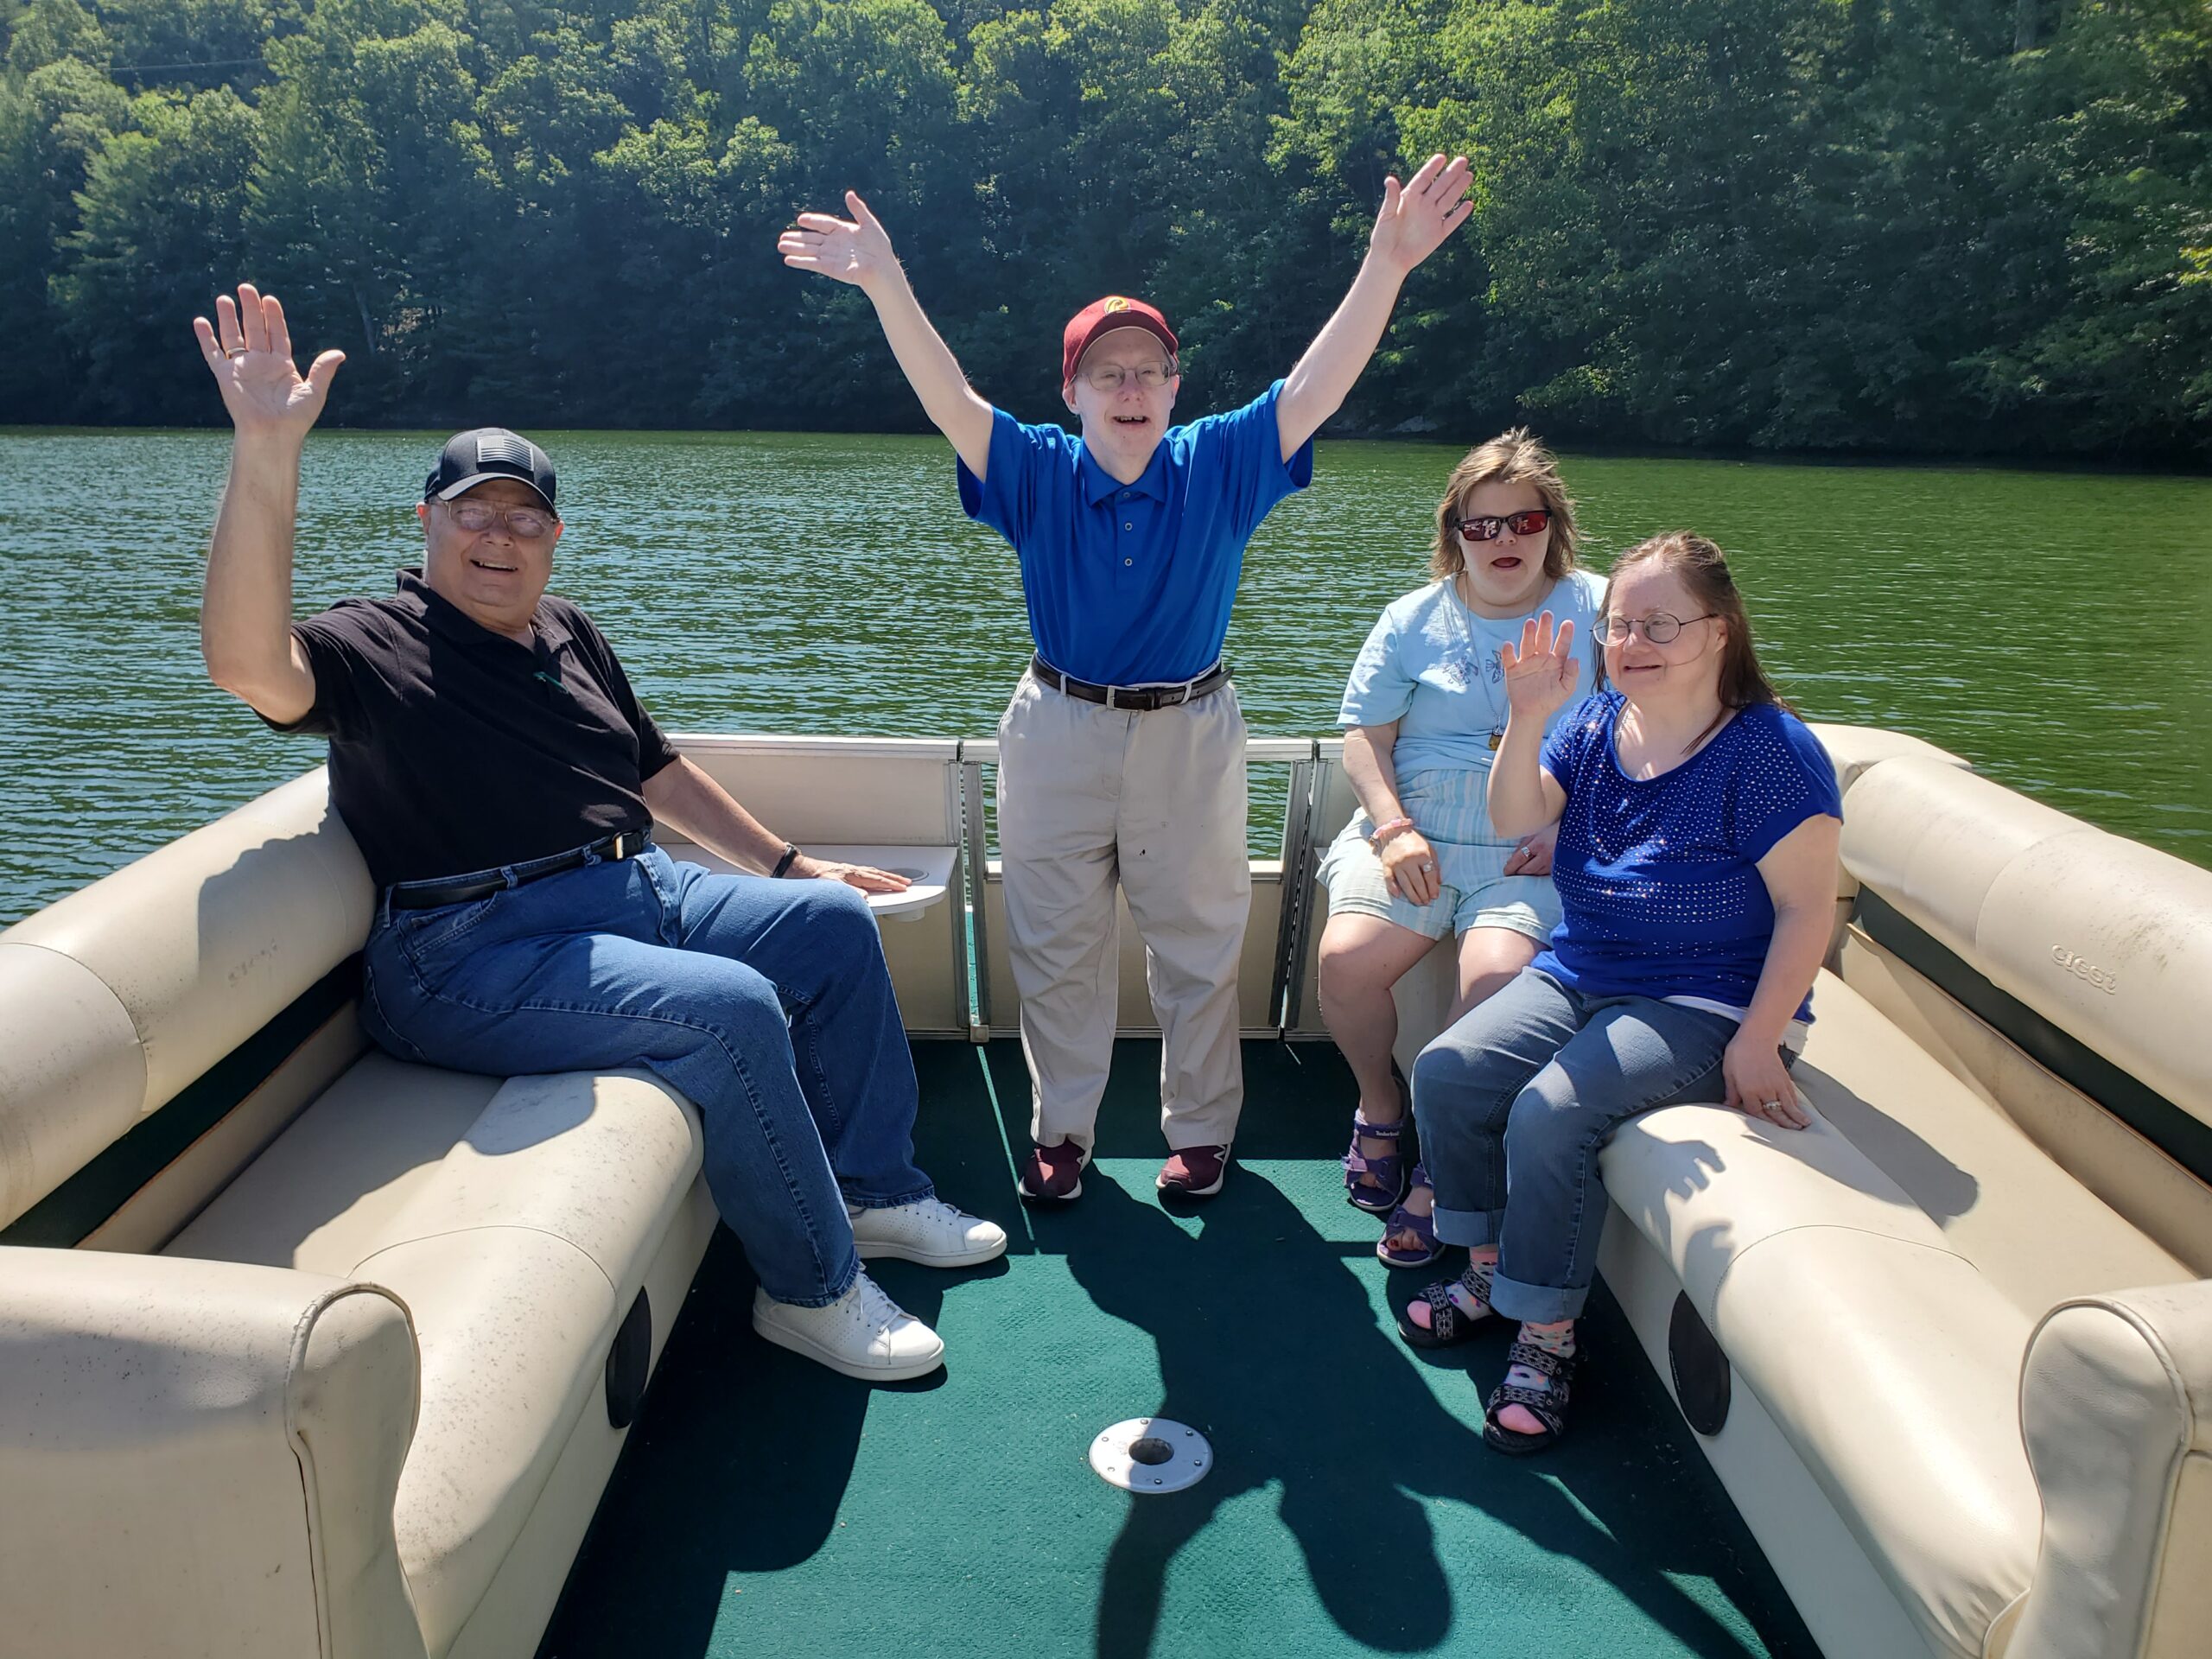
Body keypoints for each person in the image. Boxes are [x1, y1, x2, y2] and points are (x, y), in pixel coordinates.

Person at [191, 283, 1005, 1383]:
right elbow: (248, 664)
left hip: (629, 890)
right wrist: (266, 448)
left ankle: (874, 1191)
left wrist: (789, 863)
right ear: (427, 523)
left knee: (828, 923)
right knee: (728, 1010)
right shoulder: (374, 644)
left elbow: (652, 769)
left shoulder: (568, 630)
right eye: (472, 512)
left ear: (554, 539)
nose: (498, 537)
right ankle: (809, 1293)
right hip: (465, 949)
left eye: (523, 517)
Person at [780, 158, 1474, 1203]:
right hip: (1056, 726)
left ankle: (1199, 1132)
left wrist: (1386, 263)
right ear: (1072, 394)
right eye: (1106, 373)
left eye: (1148, 368)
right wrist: (886, 282)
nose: (1131, 388)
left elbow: (1318, 382)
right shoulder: (1035, 469)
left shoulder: (1220, 463)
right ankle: (1062, 1132)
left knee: (1198, 947)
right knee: (1055, 945)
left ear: (1174, 387)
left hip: (1191, 730)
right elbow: (948, 398)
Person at [1397, 531, 1840, 1456]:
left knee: (1550, 1112)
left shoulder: (1769, 752)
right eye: (1617, 625)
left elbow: (1806, 910)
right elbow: (1515, 819)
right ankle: (1488, 1271)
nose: (1630, 642)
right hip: (1584, 965)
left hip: (1705, 998)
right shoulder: (1596, 723)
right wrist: (1526, 717)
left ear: (1719, 631)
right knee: (1447, 1070)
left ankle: (1548, 1340)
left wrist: (1758, 1040)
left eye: (1658, 624)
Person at [1313, 430, 1604, 1267]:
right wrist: (1392, 828)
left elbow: (1635, 733)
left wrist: (1570, 830)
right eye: (1482, 527)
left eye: (1523, 521)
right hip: (1416, 832)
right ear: (1455, 533)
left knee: (1495, 983)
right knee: (1346, 959)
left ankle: (1441, 1169)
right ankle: (1381, 1109)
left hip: (1536, 842)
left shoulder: (1599, 609)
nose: (1504, 541)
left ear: (1553, 526)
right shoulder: (1412, 618)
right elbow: (1365, 737)